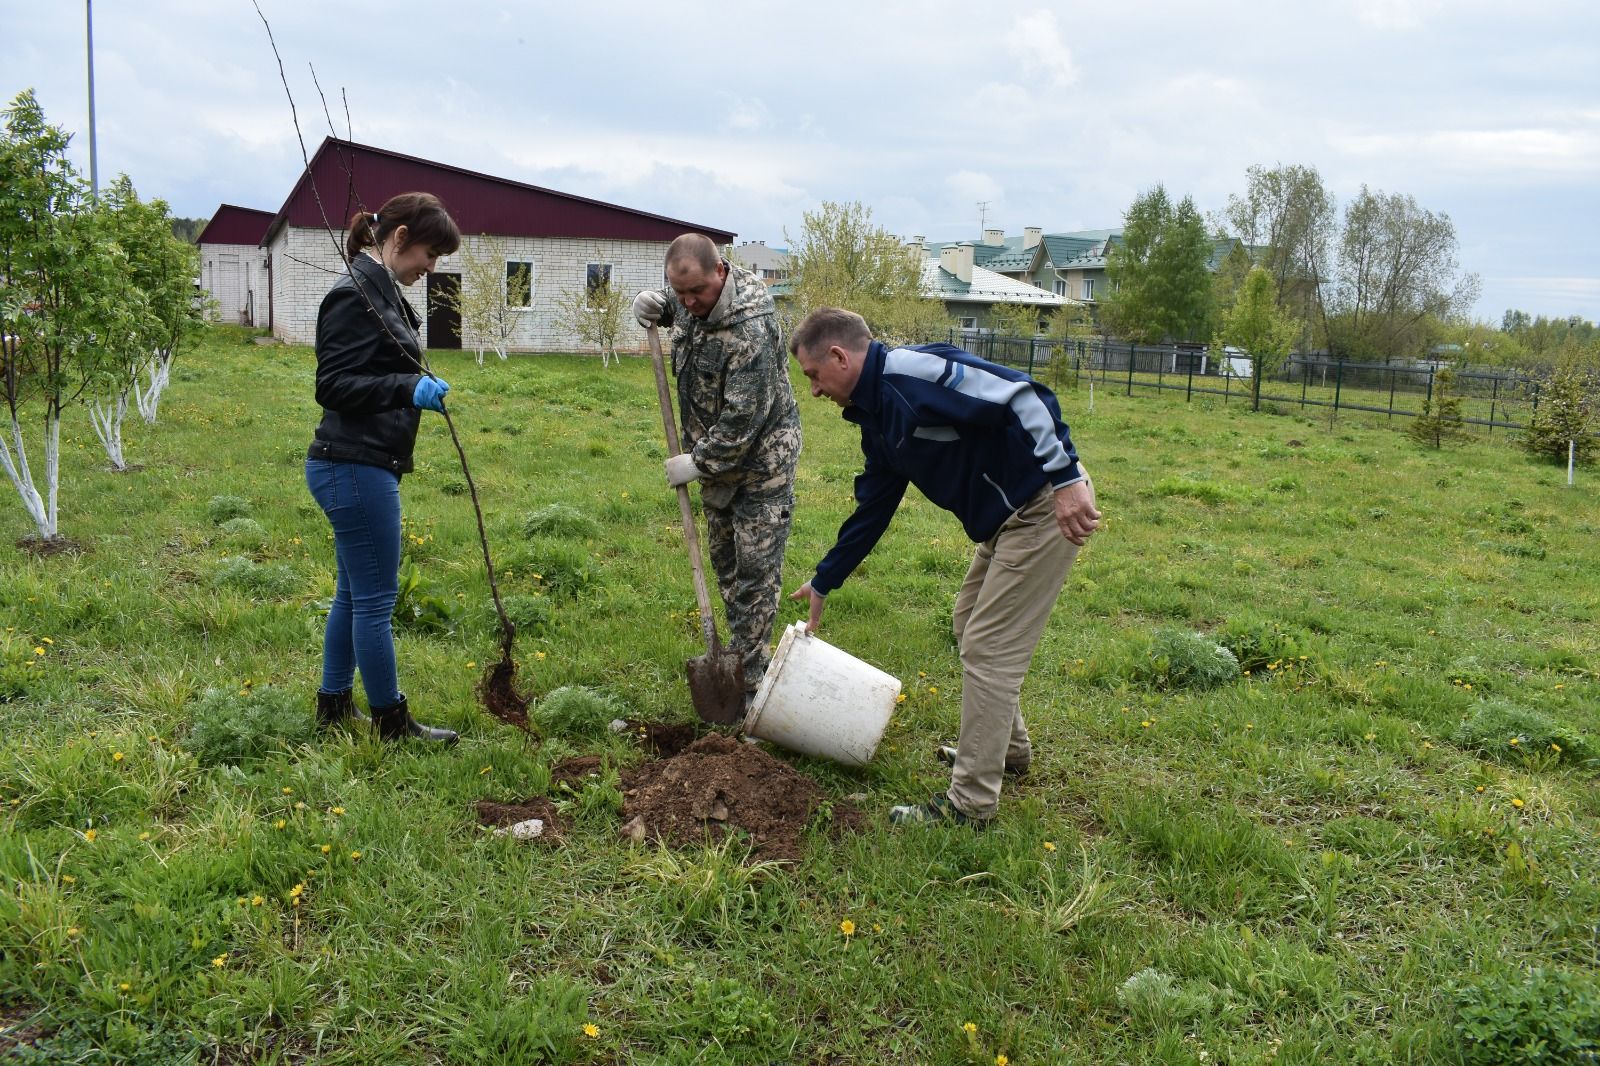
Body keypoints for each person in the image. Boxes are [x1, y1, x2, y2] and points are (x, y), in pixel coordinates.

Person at [786, 307, 1101, 827]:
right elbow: (875, 505)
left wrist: (1066, 479)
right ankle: (1007, 751)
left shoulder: (913, 373)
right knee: (967, 622)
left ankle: (971, 803)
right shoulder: (876, 414)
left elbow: (1024, 395)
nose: (815, 391)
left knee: (989, 647)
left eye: (814, 376)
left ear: (839, 357)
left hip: (1043, 507)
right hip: (1006, 520)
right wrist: (825, 579)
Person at [305, 192, 462, 744]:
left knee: (353, 595)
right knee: (374, 602)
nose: (431, 267)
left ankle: (332, 710)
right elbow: (332, 385)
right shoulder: (355, 295)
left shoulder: (380, 291)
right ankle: (392, 725)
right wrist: (406, 387)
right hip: (353, 465)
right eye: (429, 254)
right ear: (398, 239)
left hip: (358, 463)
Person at [631, 235, 802, 711]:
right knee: (726, 565)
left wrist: (696, 463)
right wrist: (660, 303)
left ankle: (750, 690)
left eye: (696, 293)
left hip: (760, 464)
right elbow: (679, 302)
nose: (689, 303)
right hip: (715, 463)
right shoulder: (691, 296)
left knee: (754, 574)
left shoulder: (751, 326)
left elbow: (743, 420)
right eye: (678, 292)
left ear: (721, 273)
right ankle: (737, 663)